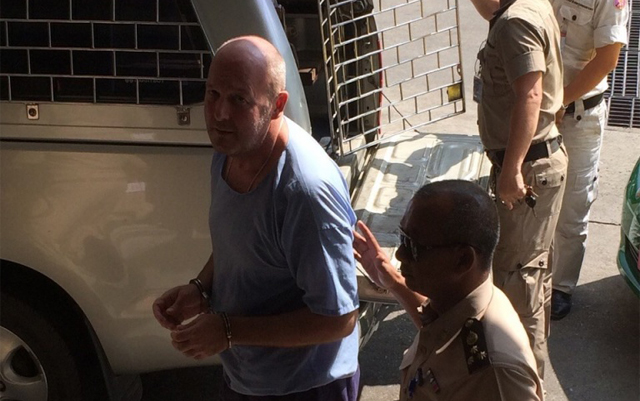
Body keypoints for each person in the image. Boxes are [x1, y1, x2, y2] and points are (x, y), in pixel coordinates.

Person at [152, 36, 361, 401]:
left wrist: (228, 331)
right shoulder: (231, 148)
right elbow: (244, 240)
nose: (220, 113)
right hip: (246, 378)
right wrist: (201, 290)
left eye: (239, 99)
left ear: (277, 105)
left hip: (307, 388)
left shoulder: (305, 193)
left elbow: (339, 318)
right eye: (213, 94)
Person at [354, 180, 544, 401]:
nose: (400, 254)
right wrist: (394, 282)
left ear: (463, 260)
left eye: (415, 246)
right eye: (402, 237)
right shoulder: (460, 304)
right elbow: (442, 332)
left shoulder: (495, 373)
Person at [475, 0, 568, 379]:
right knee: (533, 276)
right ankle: (529, 380)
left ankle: (523, 386)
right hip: (537, 161)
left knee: (519, 287)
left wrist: (512, 168)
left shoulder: (515, 21)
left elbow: (530, 95)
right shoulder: (530, 5)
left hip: (528, 168)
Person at [549, 0, 629, 320]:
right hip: (535, 106)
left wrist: (561, 100)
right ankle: (526, 273)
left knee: (572, 205)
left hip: (578, 115)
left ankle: (560, 285)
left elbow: (608, 57)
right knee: (528, 198)